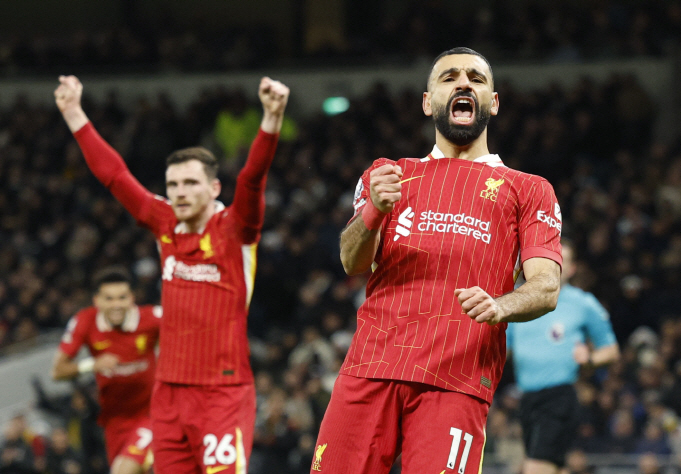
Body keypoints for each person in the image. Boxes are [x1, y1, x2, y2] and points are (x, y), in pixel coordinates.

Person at [311, 47, 562, 474]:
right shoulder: (389, 174)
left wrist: (503, 305)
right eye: (448, 77)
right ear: (428, 102)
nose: (463, 83)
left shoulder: (529, 189)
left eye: (476, 79)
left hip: (458, 379)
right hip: (372, 367)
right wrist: (372, 210)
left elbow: (546, 286)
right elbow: (351, 261)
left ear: (493, 103)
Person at [55, 74, 289, 473]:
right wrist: (74, 112)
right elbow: (115, 176)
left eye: (190, 183)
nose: (179, 192)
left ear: (214, 187)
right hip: (167, 395)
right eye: (173, 184)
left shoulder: (235, 229)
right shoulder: (164, 223)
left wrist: (271, 120)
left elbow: (251, 180)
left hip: (222, 392)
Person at [507, 239, 620, 474]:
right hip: (526, 399)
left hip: (558, 396)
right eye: (549, 260)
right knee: (554, 467)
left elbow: (611, 350)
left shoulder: (583, 303)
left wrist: (589, 359)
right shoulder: (517, 300)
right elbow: (502, 349)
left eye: (561, 262)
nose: (554, 266)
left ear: (571, 269)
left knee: (535, 467)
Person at [52, 266, 161, 474]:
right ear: (97, 300)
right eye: (109, 299)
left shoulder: (151, 318)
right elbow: (57, 371)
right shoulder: (85, 321)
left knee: (123, 471)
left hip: (151, 413)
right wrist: (92, 365)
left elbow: (189, 328)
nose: (116, 305)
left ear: (132, 298)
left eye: (122, 297)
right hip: (114, 422)